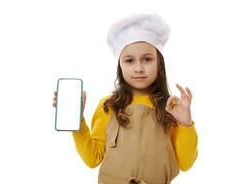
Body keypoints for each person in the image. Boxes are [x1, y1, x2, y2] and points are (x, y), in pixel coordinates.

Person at [52, 13, 198, 184]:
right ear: (119, 65)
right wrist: (77, 122)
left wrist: (186, 124)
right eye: (129, 60)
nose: (138, 68)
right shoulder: (108, 106)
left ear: (159, 62)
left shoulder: (171, 108)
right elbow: (93, 159)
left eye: (147, 59)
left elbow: (186, 164)